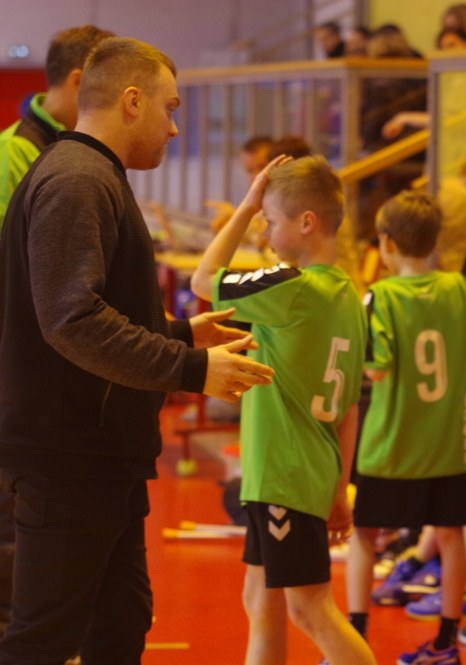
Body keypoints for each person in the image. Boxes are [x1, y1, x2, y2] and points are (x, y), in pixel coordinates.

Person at [0, 37, 274, 664]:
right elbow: (71, 320)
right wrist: (190, 367)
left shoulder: (91, 174)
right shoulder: (76, 179)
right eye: (169, 109)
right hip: (68, 454)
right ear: (131, 102)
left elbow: (95, 315)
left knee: (120, 623)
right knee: (43, 639)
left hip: (99, 453)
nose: (174, 128)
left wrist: (181, 335)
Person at [190, 155, 374, 665]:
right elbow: (349, 410)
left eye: (270, 221)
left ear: (306, 222)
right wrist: (338, 490)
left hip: (284, 474)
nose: (264, 232)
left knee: (310, 611)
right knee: (260, 601)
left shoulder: (294, 286)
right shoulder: (349, 297)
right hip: (302, 474)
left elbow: (204, 281)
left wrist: (247, 205)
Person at [0, 24, 115, 642]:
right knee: (14, 533)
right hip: (21, 383)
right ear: (79, 80)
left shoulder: (69, 154)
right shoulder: (22, 157)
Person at [345, 191, 466, 664]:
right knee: (450, 536)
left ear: (386, 243)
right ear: (433, 242)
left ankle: (354, 642)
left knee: (365, 535)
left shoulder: (381, 296)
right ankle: (447, 643)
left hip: (390, 447)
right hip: (447, 446)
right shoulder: (459, 289)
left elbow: (377, 367)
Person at [0, 25, 114, 227]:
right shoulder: (15, 148)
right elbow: (7, 240)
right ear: (79, 81)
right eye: (109, 87)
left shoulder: (79, 140)